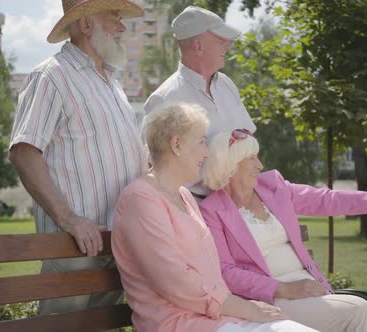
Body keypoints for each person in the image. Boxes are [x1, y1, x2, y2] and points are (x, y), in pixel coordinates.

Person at [198, 129, 367, 332]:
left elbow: (328, 199)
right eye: (251, 158)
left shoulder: (273, 187)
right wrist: (283, 288)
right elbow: (226, 272)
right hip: (270, 299)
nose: (259, 165)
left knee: (356, 312)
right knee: (359, 310)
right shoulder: (212, 210)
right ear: (230, 164)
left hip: (311, 288)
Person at [112, 104, 318, 332]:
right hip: (179, 324)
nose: (207, 153)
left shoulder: (183, 195)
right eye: (201, 142)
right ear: (177, 145)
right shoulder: (140, 200)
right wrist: (246, 309)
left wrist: (244, 309)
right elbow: (175, 282)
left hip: (218, 319)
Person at [8, 0, 147, 316]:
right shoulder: (52, 77)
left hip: (116, 243)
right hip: (74, 245)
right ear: (86, 25)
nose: (123, 27)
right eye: (114, 17)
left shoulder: (112, 84)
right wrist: (69, 219)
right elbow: (23, 151)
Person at [143, 6, 256, 198]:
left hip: (237, 203)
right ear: (198, 45)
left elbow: (248, 140)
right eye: (221, 40)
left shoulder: (227, 85)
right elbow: (153, 168)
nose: (227, 45)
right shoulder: (164, 99)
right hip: (196, 208)